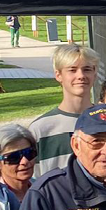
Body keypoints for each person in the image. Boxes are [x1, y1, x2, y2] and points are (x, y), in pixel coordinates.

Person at [28, 43, 99, 174]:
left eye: (87, 69)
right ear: (58, 75)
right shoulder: (40, 129)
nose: (81, 76)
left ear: (95, 74)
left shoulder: (104, 121)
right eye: (72, 70)